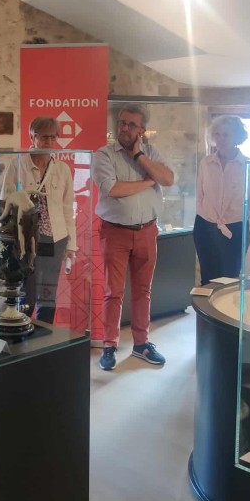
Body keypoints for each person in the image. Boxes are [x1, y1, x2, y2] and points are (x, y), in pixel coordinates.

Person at [91, 104, 175, 371]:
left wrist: (139, 155)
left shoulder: (150, 152)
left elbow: (168, 179)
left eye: (131, 125)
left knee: (143, 291)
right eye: (122, 123)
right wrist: (149, 181)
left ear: (142, 130)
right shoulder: (104, 155)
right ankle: (109, 345)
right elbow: (113, 189)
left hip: (147, 231)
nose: (124, 128)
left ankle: (141, 344)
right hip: (115, 232)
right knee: (113, 292)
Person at [0, 116, 77, 323]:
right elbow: (5, 201)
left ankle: (43, 335)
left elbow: (67, 208)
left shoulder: (62, 169)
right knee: (27, 292)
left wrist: (71, 245)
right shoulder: (17, 165)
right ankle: (20, 331)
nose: (49, 142)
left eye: (53, 137)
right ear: (32, 137)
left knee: (48, 294)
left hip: (55, 238)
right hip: (26, 239)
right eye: (43, 137)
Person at [194, 115, 250, 284]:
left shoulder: (248, 165)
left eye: (226, 134)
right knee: (207, 278)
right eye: (217, 134)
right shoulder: (205, 163)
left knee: (230, 279)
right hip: (206, 226)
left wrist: (237, 219)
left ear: (237, 137)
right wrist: (209, 218)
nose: (220, 139)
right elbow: (200, 195)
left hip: (236, 227)